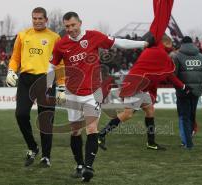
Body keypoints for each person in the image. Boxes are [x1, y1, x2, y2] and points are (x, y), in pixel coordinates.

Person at [48, 11, 149, 182]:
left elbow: (118, 42)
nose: (71, 29)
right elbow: (51, 66)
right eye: (67, 27)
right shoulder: (61, 44)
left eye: (73, 25)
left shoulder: (94, 36)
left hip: (93, 93)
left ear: (80, 23)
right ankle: (79, 164)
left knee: (92, 128)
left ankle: (88, 167)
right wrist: (52, 87)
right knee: (75, 131)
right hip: (72, 95)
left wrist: (143, 43)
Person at [98, 0, 192, 151]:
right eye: (171, 44)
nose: (173, 46)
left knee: (149, 110)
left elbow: (160, 23)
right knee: (128, 114)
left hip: (137, 85)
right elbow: (170, 76)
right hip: (136, 85)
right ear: (166, 43)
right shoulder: (160, 53)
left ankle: (151, 142)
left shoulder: (153, 50)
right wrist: (184, 87)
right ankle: (100, 135)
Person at [6, 7, 61, 167]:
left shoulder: (55, 37)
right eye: (34, 18)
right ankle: (32, 147)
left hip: (47, 79)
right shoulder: (23, 35)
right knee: (21, 114)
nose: (37, 21)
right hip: (26, 79)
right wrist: (11, 70)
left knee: (46, 120)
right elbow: (15, 57)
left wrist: (62, 86)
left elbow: (60, 63)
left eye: (40, 18)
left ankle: (46, 156)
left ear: (46, 20)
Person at [172, 36, 202, 149]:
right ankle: (187, 141)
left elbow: (173, 76)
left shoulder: (177, 57)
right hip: (196, 92)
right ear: (192, 44)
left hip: (183, 92)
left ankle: (188, 143)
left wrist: (178, 88)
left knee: (183, 117)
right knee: (191, 116)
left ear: (182, 44)